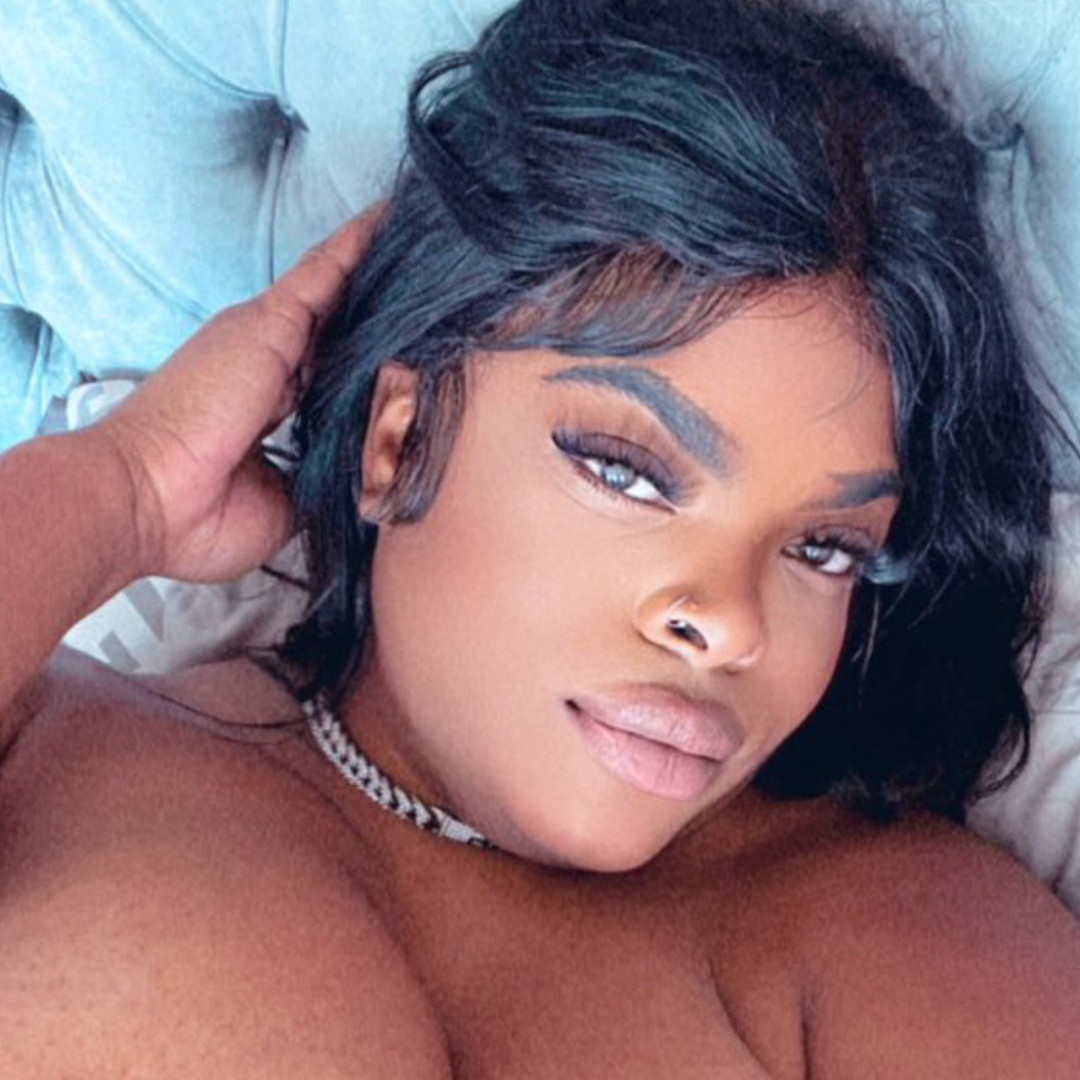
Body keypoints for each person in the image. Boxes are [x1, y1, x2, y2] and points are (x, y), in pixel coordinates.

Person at [1, 0, 1079, 1075]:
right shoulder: (60, 752)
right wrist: (122, 487)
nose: (729, 622)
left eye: (825, 547)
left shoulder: (906, 936)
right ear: (400, 442)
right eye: (627, 471)